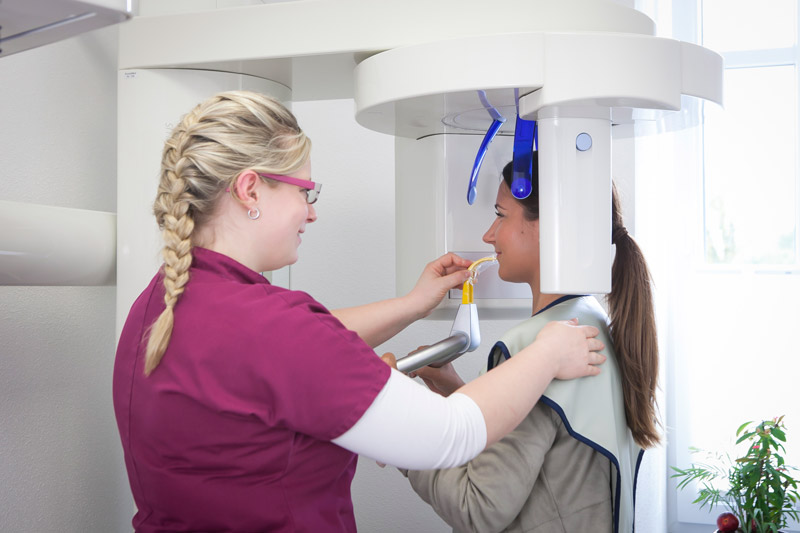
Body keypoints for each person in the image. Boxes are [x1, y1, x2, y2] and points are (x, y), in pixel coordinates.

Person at [112, 91, 606, 533]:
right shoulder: (271, 328)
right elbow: (450, 435)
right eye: (304, 191)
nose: (311, 211)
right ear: (250, 190)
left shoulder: (161, 303)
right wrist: (547, 353)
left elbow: (291, 345)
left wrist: (412, 305)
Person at [403, 156, 660, 533]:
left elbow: (477, 507)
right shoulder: (591, 323)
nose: (488, 235)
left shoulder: (539, 350)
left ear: (548, 228)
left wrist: (401, 434)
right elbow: (548, 452)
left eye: (501, 215)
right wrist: (454, 393)